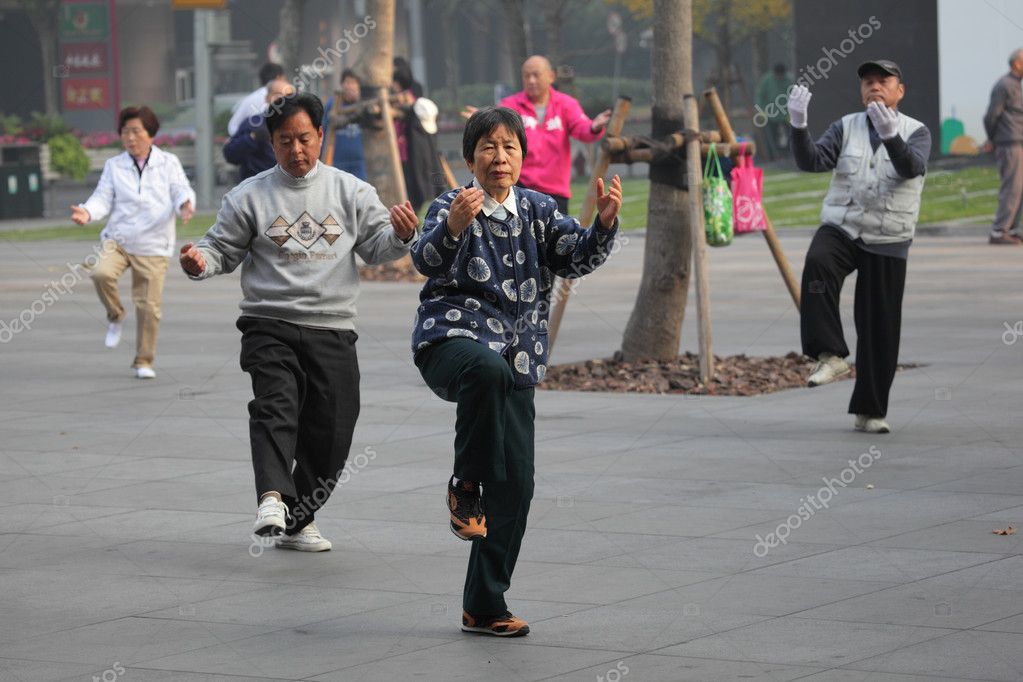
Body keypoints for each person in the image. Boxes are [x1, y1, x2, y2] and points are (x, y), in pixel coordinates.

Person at [409, 107, 622, 636]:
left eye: (509, 147)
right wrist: (454, 227)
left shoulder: (539, 211)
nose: (499, 157)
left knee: (517, 486)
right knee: (484, 369)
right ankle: (464, 486)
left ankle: (484, 606)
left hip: (518, 361)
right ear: (469, 158)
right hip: (450, 344)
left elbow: (575, 257)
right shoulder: (451, 205)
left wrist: (605, 221)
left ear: (523, 157)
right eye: (488, 147)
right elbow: (424, 259)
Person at [179, 93, 419, 552]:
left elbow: (377, 247)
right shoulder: (248, 196)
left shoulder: (351, 191)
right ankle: (271, 497)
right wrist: (199, 263)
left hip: (332, 327)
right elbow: (218, 249)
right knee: (276, 406)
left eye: (304, 138)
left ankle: (295, 518)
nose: (296, 150)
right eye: (285, 141)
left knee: (333, 432)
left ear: (321, 136)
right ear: (271, 143)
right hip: (269, 323)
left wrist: (403, 235)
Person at [788, 59, 931, 434]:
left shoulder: (917, 131)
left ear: (900, 90)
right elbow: (812, 161)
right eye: (868, 82)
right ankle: (829, 353)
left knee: (879, 326)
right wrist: (799, 126)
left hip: (888, 238)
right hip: (844, 227)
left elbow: (911, 167)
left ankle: (870, 411)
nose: (875, 87)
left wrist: (891, 137)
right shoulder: (845, 126)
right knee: (818, 263)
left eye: (884, 81)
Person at [71, 105, 195, 380]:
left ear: (150, 134)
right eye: (125, 132)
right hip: (119, 239)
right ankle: (115, 315)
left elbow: (180, 189)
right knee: (100, 273)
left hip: (154, 244)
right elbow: (102, 198)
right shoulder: (114, 165)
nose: (130, 138)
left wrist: (185, 203)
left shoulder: (168, 162)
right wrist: (87, 212)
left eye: (136, 131)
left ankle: (144, 360)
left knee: (149, 307)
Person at [499, 55, 611, 214]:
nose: (531, 80)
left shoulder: (566, 104)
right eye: (526, 75)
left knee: (555, 238)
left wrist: (594, 127)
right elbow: (496, 130)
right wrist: (483, 124)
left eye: (536, 75)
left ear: (551, 76)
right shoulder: (510, 105)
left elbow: (582, 128)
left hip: (555, 191)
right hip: (517, 189)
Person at [982, 48, 1023, 245]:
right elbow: (991, 115)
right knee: (1012, 188)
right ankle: (999, 231)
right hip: (1009, 143)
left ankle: (1012, 229)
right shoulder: (1004, 85)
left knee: (1020, 188)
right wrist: (991, 138)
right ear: (1017, 64)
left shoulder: (1016, 84)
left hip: (1018, 142)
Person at [223, 78, 295, 182]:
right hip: (258, 190)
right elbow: (230, 154)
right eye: (278, 95)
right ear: (267, 98)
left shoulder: (300, 124)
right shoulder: (254, 123)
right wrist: (252, 138)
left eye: (289, 96)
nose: (284, 100)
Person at [321, 69, 367, 180]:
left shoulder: (364, 105)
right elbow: (323, 130)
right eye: (347, 82)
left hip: (360, 163)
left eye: (354, 83)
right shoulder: (333, 104)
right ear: (342, 85)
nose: (350, 86)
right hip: (337, 162)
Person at [228, 62, 287, 136]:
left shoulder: (249, 100)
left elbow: (232, 127)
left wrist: (249, 139)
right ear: (279, 77)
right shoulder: (286, 96)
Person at [755, 63, 795, 160]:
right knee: (772, 136)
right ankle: (773, 156)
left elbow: (794, 96)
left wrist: (792, 112)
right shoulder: (767, 79)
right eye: (777, 76)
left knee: (791, 134)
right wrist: (761, 110)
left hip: (785, 114)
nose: (779, 77)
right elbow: (760, 95)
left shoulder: (789, 80)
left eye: (781, 76)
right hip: (770, 114)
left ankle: (790, 154)